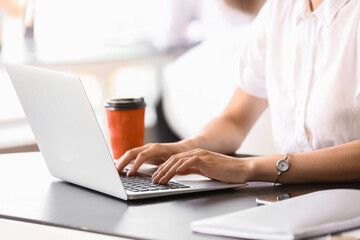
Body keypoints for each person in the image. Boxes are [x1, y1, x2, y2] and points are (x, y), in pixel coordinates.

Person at [116, 0, 360, 186]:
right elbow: (235, 119)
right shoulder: (279, 10)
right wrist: (184, 149)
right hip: (292, 196)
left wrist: (250, 167)